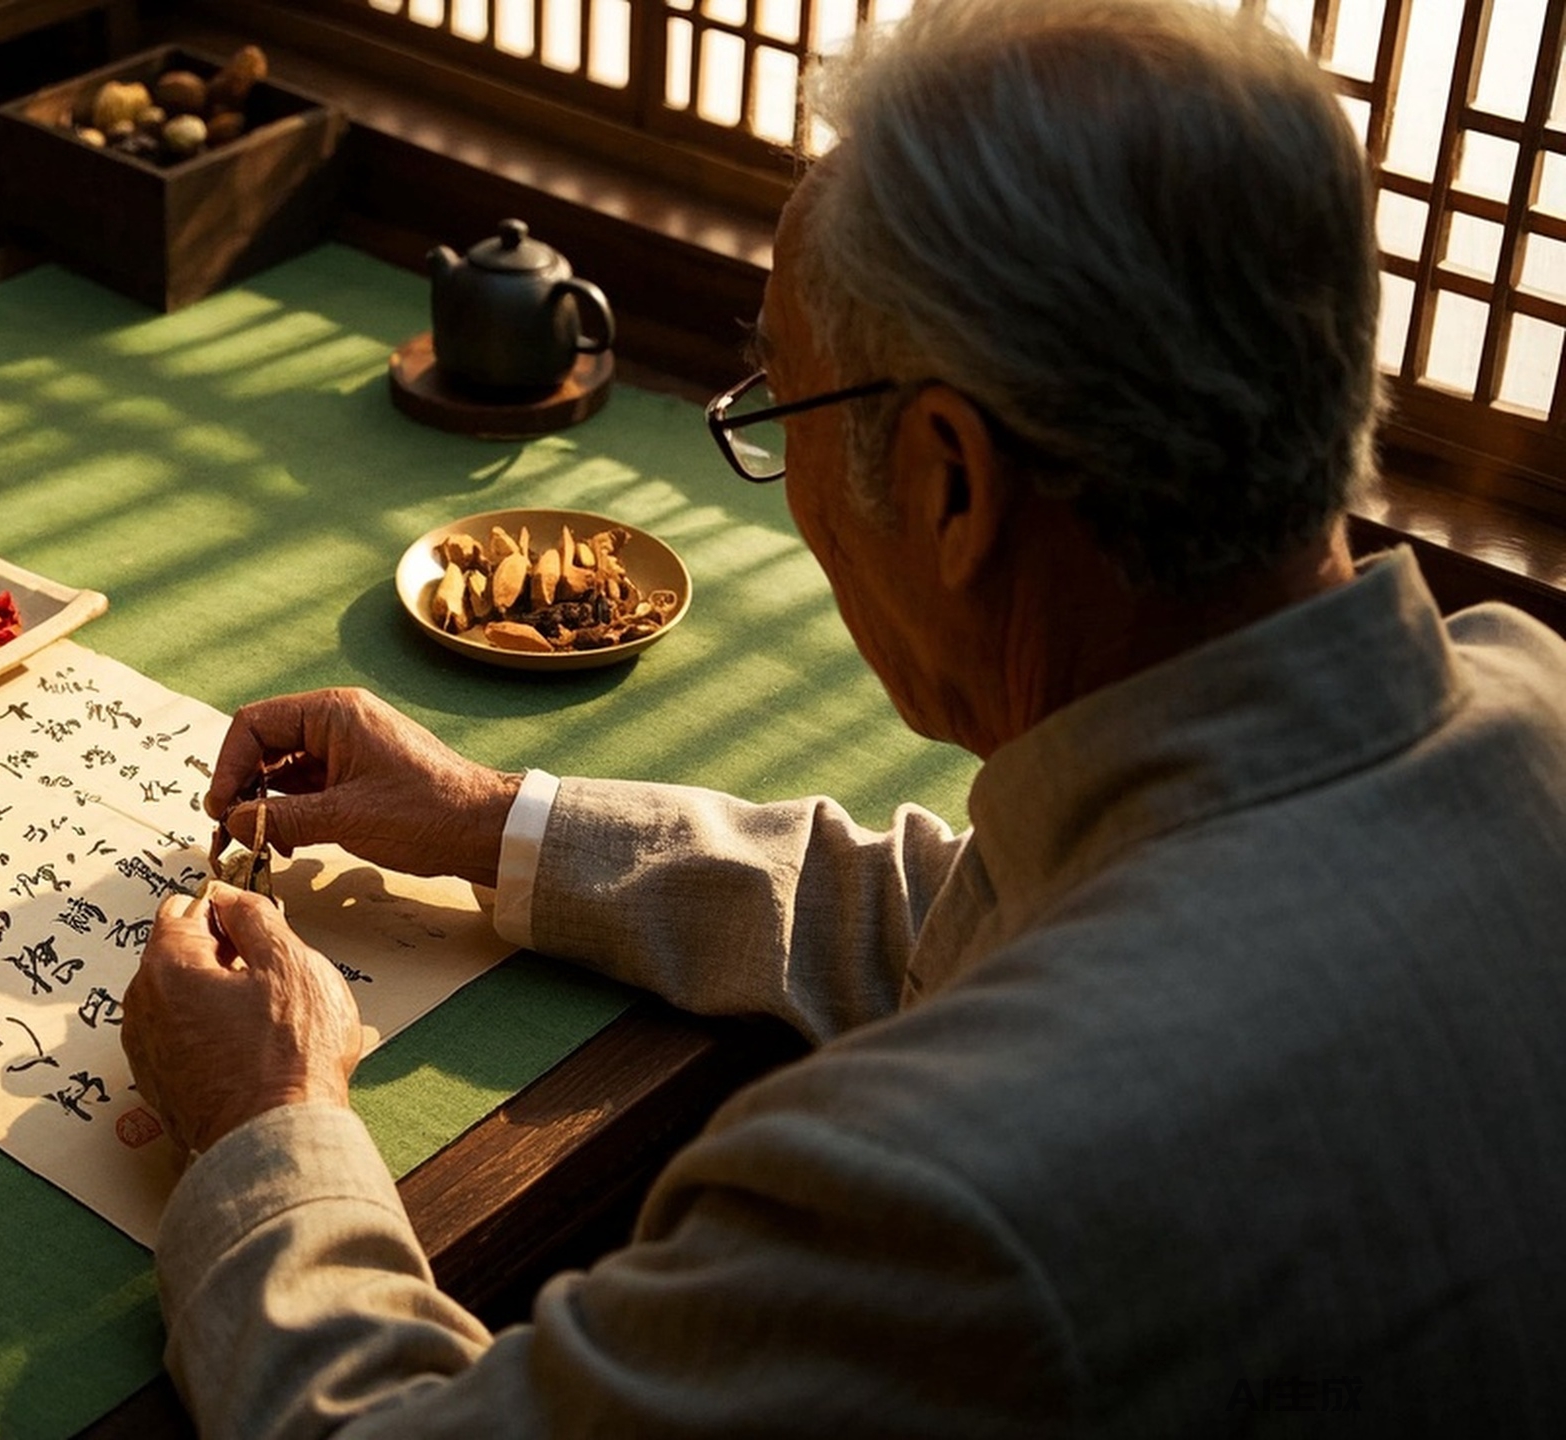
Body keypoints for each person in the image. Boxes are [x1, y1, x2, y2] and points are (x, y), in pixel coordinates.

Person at [118, 0, 1566, 1434]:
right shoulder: (1528, 698)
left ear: (949, 483)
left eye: (785, 408)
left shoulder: (948, 1196)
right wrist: (494, 820)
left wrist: (268, 1120)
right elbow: (979, 915)